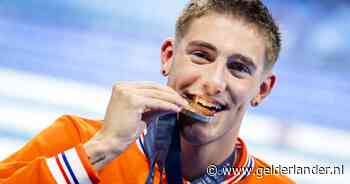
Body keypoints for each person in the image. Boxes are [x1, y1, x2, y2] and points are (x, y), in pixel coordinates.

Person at [0, 0, 295, 183]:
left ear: (263, 90)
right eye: (201, 56)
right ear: (168, 56)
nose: (215, 81)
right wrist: (103, 147)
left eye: (239, 67)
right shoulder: (75, 140)